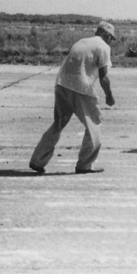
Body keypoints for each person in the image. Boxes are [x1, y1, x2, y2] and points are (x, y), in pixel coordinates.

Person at [29, 21, 116, 174]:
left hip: (62, 84)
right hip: (81, 88)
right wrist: (109, 96)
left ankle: (37, 160)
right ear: (106, 35)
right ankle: (85, 165)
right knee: (94, 125)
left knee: (58, 124)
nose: (111, 42)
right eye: (111, 38)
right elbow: (104, 77)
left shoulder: (82, 41)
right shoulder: (103, 47)